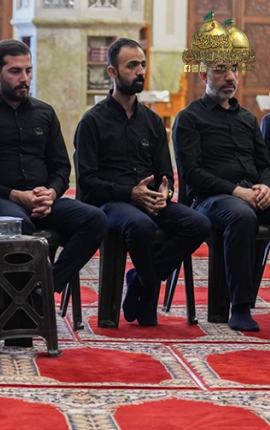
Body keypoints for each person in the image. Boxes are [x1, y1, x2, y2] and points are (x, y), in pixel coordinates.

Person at [75, 38, 211, 326]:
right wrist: (130, 193)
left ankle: (139, 280)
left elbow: (165, 174)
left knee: (199, 223)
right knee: (140, 224)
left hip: (149, 201)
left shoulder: (152, 121)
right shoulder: (92, 121)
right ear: (112, 72)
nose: (140, 71)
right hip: (110, 202)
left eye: (143, 65)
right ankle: (149, 294)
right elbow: (87, 181)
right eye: (132, 66)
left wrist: (164, 193)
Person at [0, 39, 107, 299]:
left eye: (28, 70)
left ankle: (43, 290)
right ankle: (12, 304)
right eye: (15, 71)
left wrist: (51, 193)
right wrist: (16, 195)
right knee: (18, 225)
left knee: (95, 220)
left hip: (43, 201)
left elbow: (61, 167)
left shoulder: (44, 113)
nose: (24, 78)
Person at [173, 60, 270, 332]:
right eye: (220, 70)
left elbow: (265, 164)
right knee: (241, 216)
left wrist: (266, 186)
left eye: (234, 70)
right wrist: (236, 191)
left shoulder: (248, 119)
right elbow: (193, 173)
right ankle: (240, 307)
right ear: (204, 75)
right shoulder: (189, 118)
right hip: (209, 199)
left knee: (246, 210)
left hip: (251, 193)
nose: (230, 77)